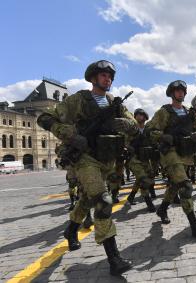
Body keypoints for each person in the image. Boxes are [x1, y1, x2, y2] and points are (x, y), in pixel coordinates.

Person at [37, 60, 135, 276]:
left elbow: (134, 127)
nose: (107, 79)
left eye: (110, 76)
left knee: (87, 199)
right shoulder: (79, 100)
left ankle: (70, 229)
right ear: (92, 78)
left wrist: (129, 125)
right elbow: (44, 118)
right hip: (85, 158)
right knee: (103, 200)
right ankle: (114, 259)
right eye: (102, 75)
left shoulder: (115, 103)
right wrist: (70, 135)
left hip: (107, 159)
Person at [147, 80, 196, 238]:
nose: (180, 93)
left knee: (175, 185)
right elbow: (150, 130)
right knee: (185, 186)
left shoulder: (190, 113)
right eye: (177, 90)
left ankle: (162, 208)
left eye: (182, 90)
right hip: (170, 152)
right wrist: (163, 136)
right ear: (171, 93)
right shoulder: (164, 112)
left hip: (185, 153)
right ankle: (195, 226)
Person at [126, 108, 157, 212]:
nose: (139, 117)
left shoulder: (148, 129)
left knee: (147, 177)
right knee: (143, 180)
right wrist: (128, 147)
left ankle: (131, 196)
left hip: (145, 158)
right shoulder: (131, 129)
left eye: (141, 115)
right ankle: (149, 203)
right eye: (137, 115)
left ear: (145, 117)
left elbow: (153, 141)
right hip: (134, 158)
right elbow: (124, 141)